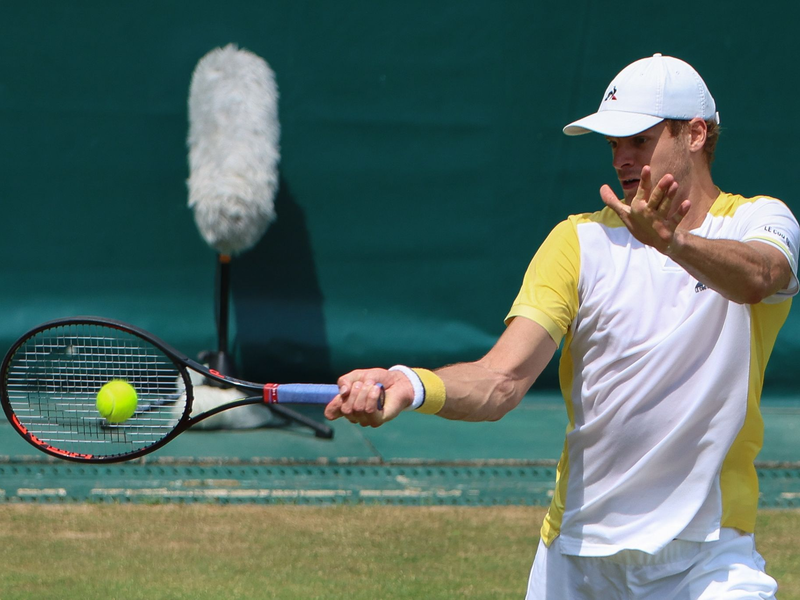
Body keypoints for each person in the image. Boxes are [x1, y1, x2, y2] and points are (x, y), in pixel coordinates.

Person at [324, 53, 800, 599]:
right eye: (613, 144)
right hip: (575, 564)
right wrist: (410, 384)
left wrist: (672, 242)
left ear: (694, 134)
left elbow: (760, 277)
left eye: (639, 140)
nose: (622, 159)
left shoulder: (759, 220)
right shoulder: (576, 242)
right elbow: (501, 381)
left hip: (710, 562)